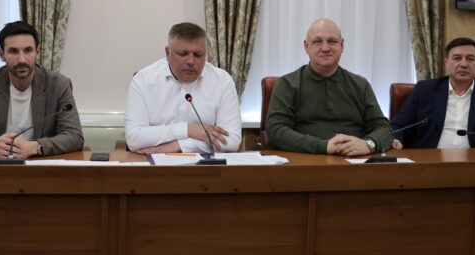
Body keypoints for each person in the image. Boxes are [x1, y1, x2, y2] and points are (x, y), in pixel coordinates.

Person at [0, 21, 83, 159]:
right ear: (1, 54)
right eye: (13, 51)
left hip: (40, 164)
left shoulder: (58, 85)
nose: (22, 59)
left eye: (28, 50)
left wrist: (36, 147)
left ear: (37, 52)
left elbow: (74, 136)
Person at [265, 18, 392, 155]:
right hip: (305, 161)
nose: (325, 48)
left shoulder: (361, 85)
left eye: (332, 41)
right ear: (306, 46)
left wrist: (369, 144)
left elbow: (384, 129)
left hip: (354, 161)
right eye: (317, 41)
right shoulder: (288, 84)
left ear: (342, 45)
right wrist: (324, 146)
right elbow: (275, 131)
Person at [390, 37, 475, 156]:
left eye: (470, 59)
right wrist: (396, 139)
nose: (463, 64)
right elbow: (398, 125)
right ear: (446, 63)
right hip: (429, 162)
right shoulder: (424, 90)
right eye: (457, 58)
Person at [125, 22, 241, 154]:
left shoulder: (222, 81)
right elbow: (134, 138)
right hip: (154, 163)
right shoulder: (143, 80)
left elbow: (232, 140)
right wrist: (188, 130)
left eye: (198, 55)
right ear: (167, 52)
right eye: (183, 54)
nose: (191, 61)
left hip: (206, 165)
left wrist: (180, 145)